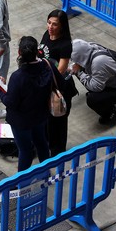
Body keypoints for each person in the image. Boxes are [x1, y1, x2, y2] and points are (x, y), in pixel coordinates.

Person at [0, 36, 57, 171]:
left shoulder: (18, 77)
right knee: (42, 143)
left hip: (22, 122)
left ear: (19, 53)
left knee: (25, 150)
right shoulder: (46, 66)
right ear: (37, 51)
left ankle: (22, 182)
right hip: (40, 116)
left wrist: (1, 89)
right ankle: (45, 172)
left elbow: (10, 102)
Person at [39, 11, 77, 157]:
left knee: (59, 120)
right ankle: (47, 143)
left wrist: (42, 80)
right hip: (46, 84)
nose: (50, 27)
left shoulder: (65, 44)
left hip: (60, 88)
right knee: (47, 118)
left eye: (55, 24)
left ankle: (58, 151)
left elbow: (61, 69)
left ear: (62, 26)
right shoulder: (46, 35)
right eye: (49, 22)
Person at [70, 39, 116, 125]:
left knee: (92, 99)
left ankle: (109, 113)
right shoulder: (90, 48)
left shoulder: (98, 62)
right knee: (77, 70)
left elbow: (97, 87)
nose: (73, 61)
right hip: (108, 82)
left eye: (74, 59)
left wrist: (79, 72)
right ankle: (105, 100)